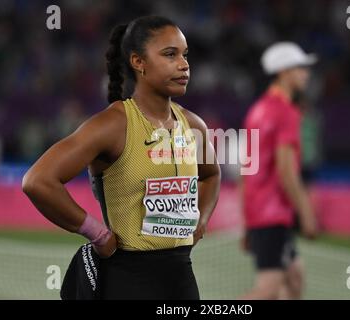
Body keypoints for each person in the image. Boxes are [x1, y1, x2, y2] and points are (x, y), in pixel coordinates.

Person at [22, 16, 221, 300]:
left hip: (181, 277)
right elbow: (38, 181)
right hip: (127, 280)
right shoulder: (113, 125)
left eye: (184, 55)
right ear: (138, 62)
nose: (183, 64)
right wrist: (97, 234)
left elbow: (211, 174)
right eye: (170, 54)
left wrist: (201, 221)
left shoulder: (193, 125)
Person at [240, 42, 319, 300]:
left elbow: (246, 170)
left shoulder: (257, 110)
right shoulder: (286, 112)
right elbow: (287, 171)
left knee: (294, 277)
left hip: (260, 211)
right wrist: (307, 213)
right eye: (301, 67)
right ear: (284, 71)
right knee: (269, 289)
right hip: (273, 213)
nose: (306, 73)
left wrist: (247, 222)